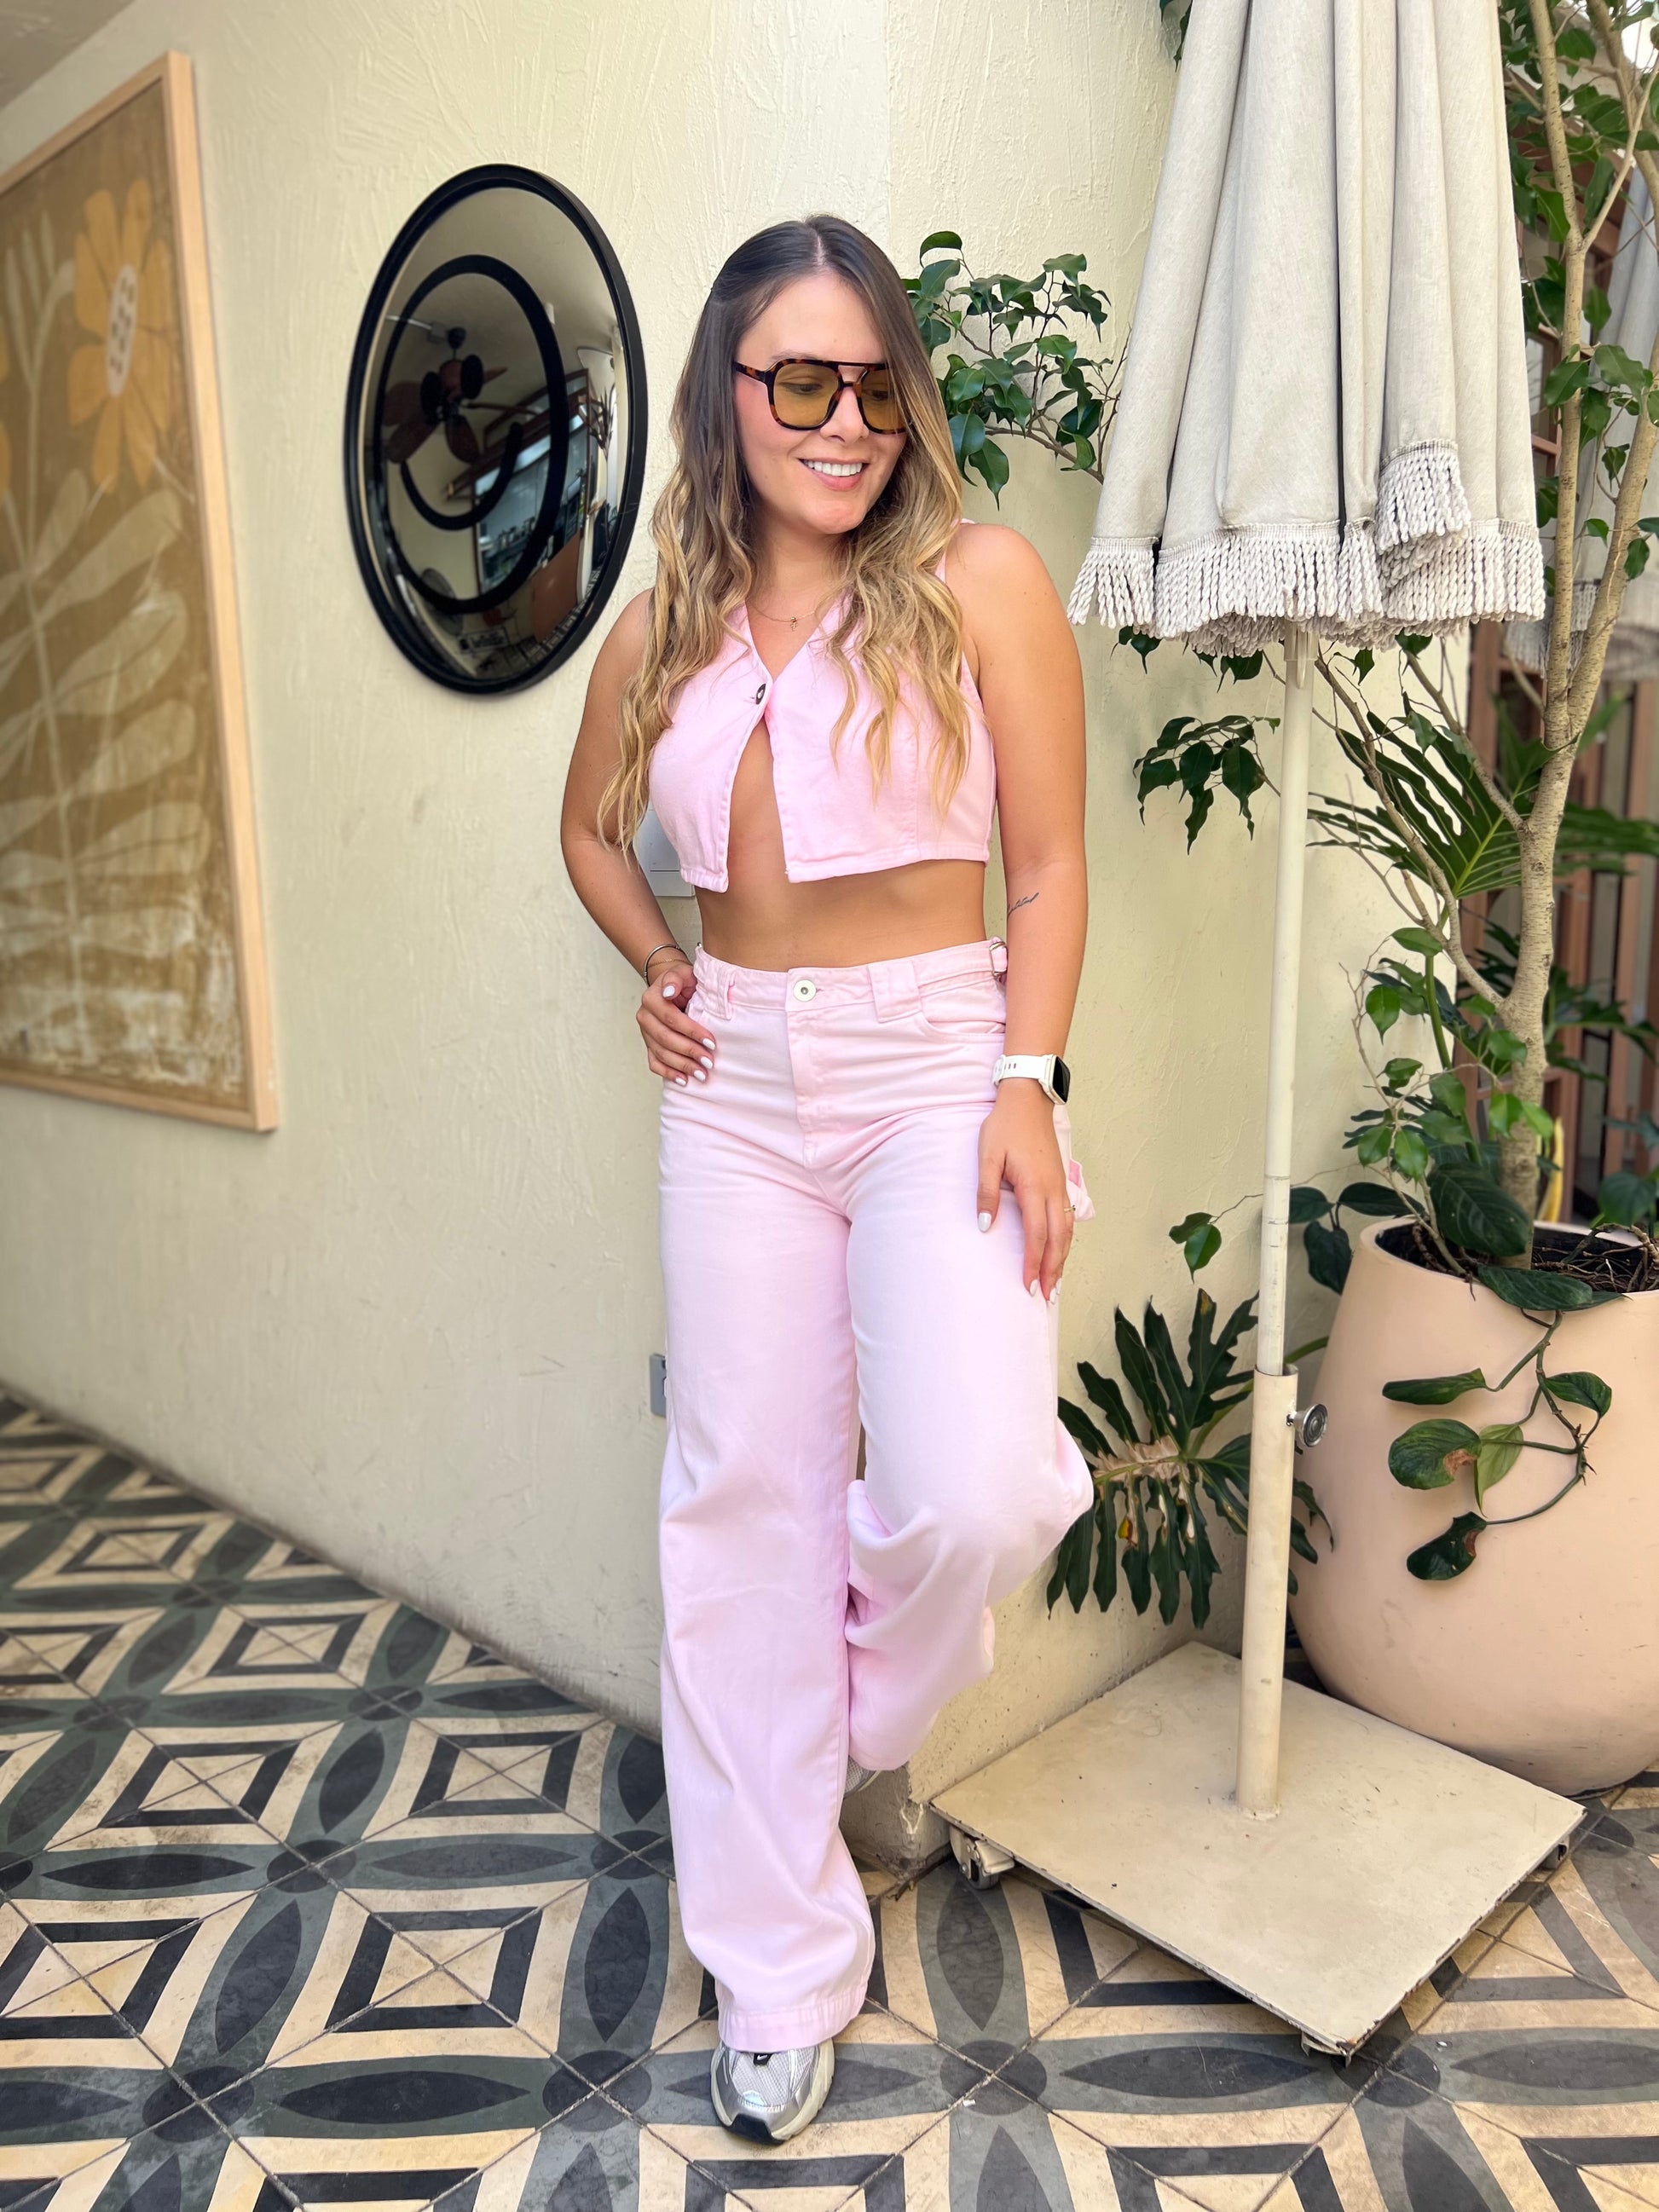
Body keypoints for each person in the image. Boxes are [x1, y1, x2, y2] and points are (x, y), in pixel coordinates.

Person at [561, 213, 1095, 2144]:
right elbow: (589, 832)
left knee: (973, 1483)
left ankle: (826, 1719)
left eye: (874, 383)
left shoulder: (978, 579)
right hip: (733, 1094)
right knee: (738, 1500)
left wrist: (1027, 1075)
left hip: (939, 1060)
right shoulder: (664, 627)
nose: (845, 419)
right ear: (729, 392)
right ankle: (777, 1971)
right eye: (801, 379)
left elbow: (1049, 865)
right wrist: (658, 961)